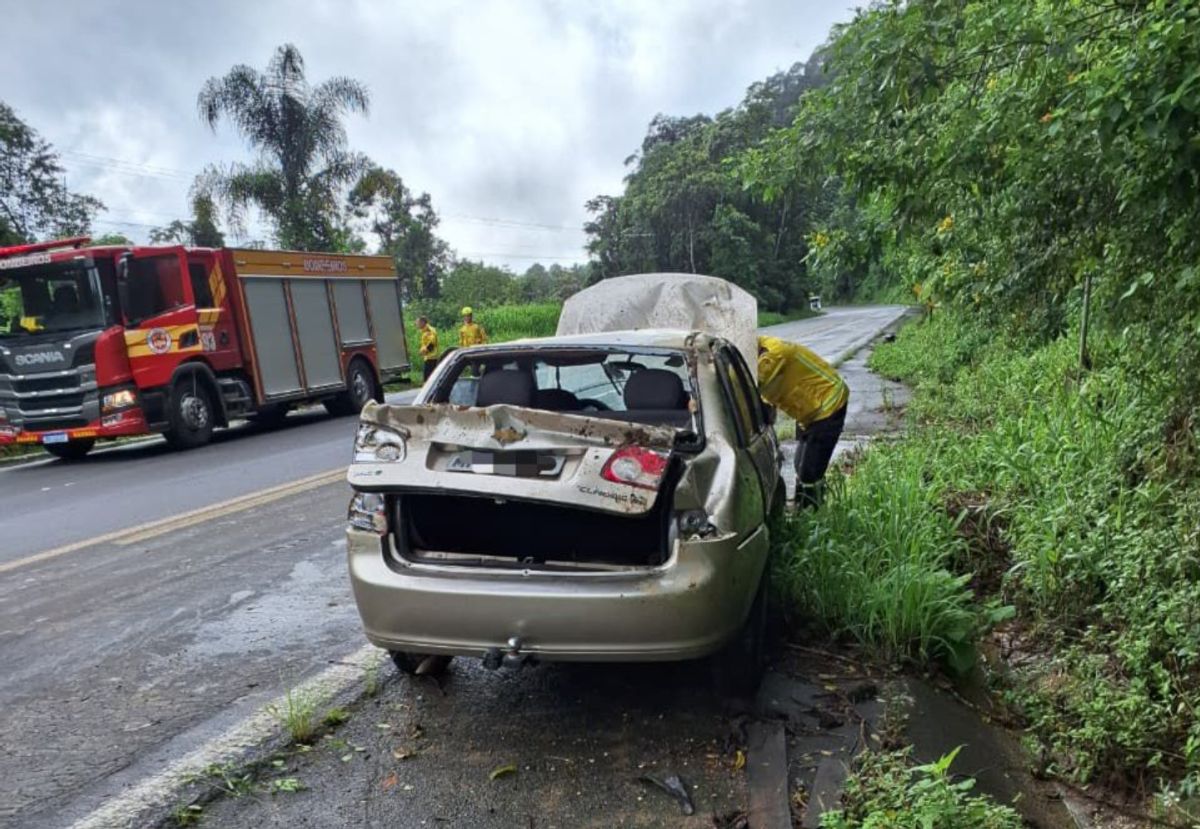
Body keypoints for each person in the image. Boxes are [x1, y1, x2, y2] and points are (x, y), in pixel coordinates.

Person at [757, 335, 849, 507]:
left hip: (828, 404)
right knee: (800, 464)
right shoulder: (759, 355)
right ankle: (807, 506)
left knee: (809, 471)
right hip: (809, 411)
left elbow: (752, 383)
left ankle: (811, 515)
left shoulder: (774, 354)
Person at [416, 316, 440, 381]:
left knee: (428, 379)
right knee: (429, 378)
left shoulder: (430, 330)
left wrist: (424, 351)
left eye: (418, 322)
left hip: (431, 358)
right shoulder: (424, 331)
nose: (417, 324)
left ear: (423, 322)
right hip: (428, 357)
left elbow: (432, 344)